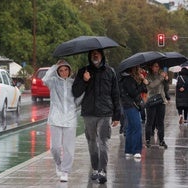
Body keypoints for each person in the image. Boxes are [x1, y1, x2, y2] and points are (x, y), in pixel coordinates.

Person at [72, 49, 121, 184]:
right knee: (92, 142)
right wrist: (84, 80)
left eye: (97, 53)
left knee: (103, 141)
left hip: (105, 113)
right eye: (93, 53)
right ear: (89, 56)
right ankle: (95, 168)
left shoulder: (110, 72)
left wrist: (117, 115)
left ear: (102, 55)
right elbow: (75, 92)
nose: (95, 55)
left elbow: (116, 93)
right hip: (89, 113)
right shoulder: (83, 71)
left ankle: (102, 170)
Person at [42, 59, 78, 182]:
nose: (63, 72)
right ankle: (58, 164)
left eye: (65, 70)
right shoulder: (53, 82)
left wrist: (74, 108)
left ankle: (65, 171)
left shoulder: (73, 83)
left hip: (70, 118)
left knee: (68, 148)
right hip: (55, 118)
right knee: (55, 147)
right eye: (61, 70)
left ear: (69, 70)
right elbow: (44, 79)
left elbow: (79, 98)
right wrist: (54, 66)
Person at [119, 66, 148, 159]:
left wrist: (142, 83)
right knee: (137, 127)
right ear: (133, 69)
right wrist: (142, 83)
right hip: (131, 105)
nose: (140, 70)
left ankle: (129, 150)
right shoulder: (128, 79)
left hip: (128, 105)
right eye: (138, 68)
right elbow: (134, 93)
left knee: (130, 128)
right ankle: (136, 150)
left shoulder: (125, 79)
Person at [145, 62, 168, 149]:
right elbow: (152, 85)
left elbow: (166, 88)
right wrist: (162, 77)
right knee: (149, 122)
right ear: (151, 67)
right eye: (156, 66)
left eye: (158, 66)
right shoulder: (148, 76)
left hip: (161, 101)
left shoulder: (161, 75)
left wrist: (166, 80)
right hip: (152, 101)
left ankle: (161, 140)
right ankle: (147, 140)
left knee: (161, 122)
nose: (157, 68)